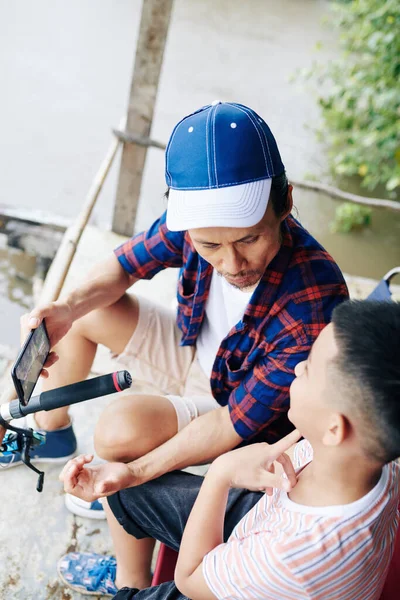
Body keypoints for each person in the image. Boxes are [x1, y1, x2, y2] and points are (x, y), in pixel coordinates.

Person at [0, 101, 348, 522]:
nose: (233, 264)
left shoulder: (315, 298)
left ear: (286, 201)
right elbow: (123, 266)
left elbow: (229, 423)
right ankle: (53, 436)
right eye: (209, 246)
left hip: (235, 406)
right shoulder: (191, 219)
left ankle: (132, 580)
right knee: (83, 311)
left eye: (250, 238)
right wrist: (66, 308)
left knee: (117, 430)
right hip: (195, 348)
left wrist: (132, 472)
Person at [58, 300, 400, 599]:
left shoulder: (289, 559)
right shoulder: (373, 459)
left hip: (257, 571)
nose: (297, 368)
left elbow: (190, 580)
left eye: (308, 369)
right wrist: (133, 472)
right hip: (268, 525)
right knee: (126, 483)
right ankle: (131, 580)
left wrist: (221, 473)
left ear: (334, 428)